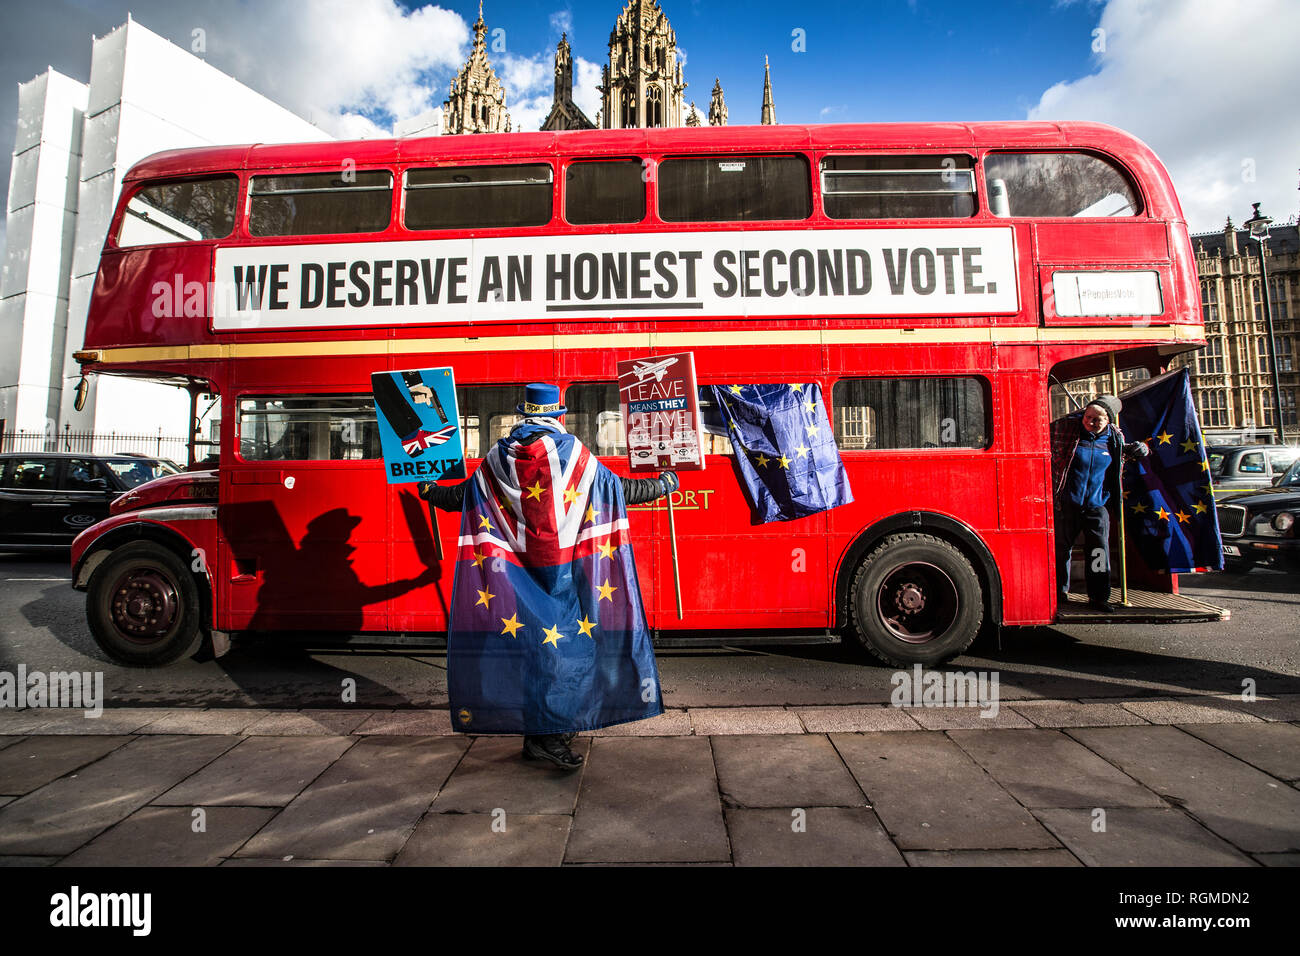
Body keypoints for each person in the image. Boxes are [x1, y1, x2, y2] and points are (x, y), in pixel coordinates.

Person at [419, 383, 677, 770]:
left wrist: (430, 491)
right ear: (557, 416)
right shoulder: (573, 454)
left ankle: (547, 729)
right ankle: (546, 737)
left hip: (515, 579)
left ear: (523, 416)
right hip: (566, 576)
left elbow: (463, 497)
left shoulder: (496, 457)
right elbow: (616, 490)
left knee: (532, 651)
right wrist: (663, 485)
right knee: (568, 650)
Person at [1051, 393, 1149, 612]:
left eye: (1097, 419)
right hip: (1067, 503)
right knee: (1061, 550)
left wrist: (1142, 448)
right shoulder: (1068, 430)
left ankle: (1098, 597)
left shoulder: (1114, 439)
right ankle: (1059, 593)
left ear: (1109, 421)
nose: (1090, 422)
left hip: (1098, 505)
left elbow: (1130, 451)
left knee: (1098, 552)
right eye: (1088, 416)